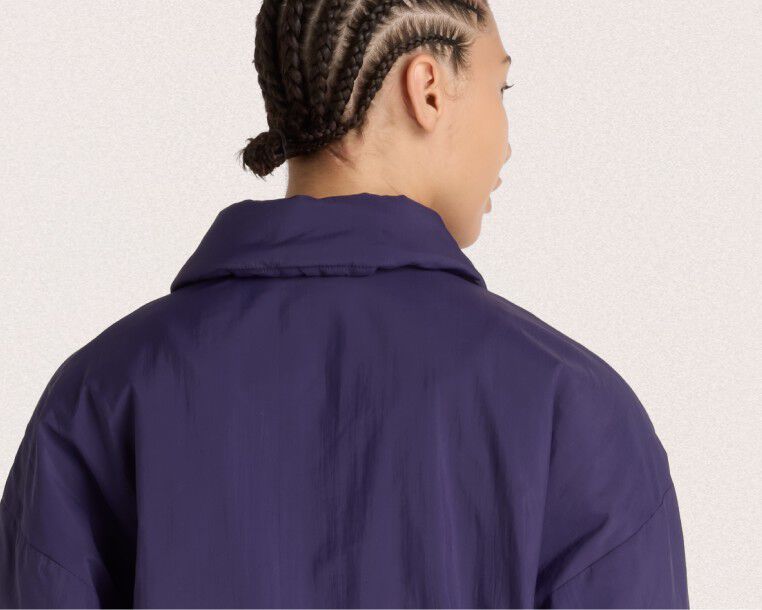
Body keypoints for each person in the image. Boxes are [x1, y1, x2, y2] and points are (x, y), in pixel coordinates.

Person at [0, 0, 689, 607]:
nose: (507, 139)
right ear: (428, 89)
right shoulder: (574, 408)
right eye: (500, 87)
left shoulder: (98, 395)